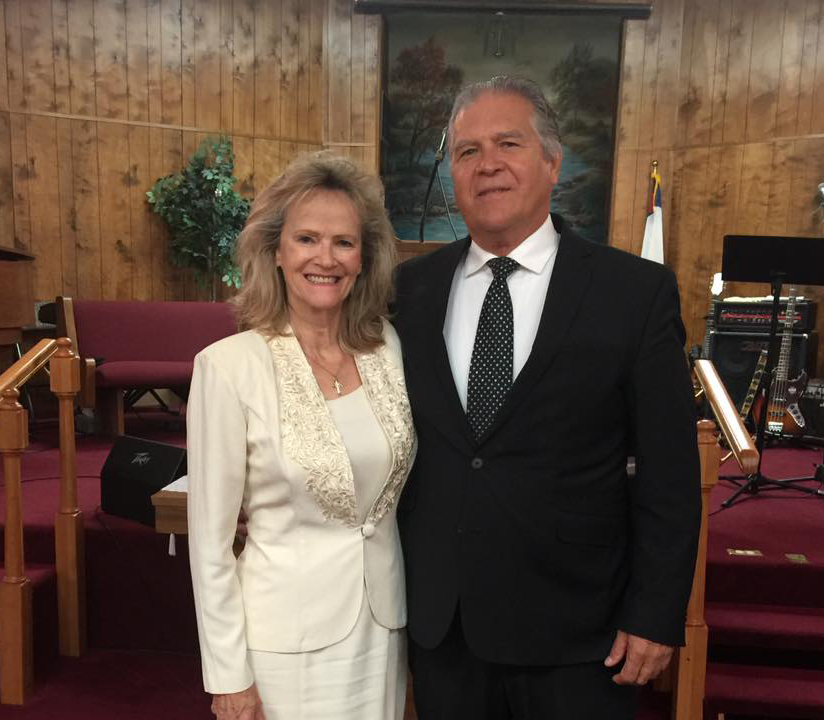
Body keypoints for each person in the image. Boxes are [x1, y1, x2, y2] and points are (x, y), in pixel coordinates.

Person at [392, 75, 701, 719]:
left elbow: (670, 476)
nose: (488, 165)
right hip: (446, 628)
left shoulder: (634, 293)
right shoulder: (408, 292)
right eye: (467, 151)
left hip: (581, 632)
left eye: (509, 142)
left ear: (553, 161)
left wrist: (657, 612)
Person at [187, 152, 416, 720]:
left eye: (344, 242)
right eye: (307, 239)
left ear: (364, 258)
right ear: (276, 252)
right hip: (282, 639)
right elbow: (209, 543)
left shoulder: (387, 347)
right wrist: (228, 675)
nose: (325, 258)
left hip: (383, 628)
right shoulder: (227, 366)